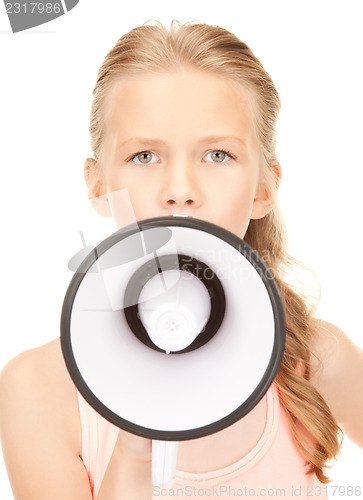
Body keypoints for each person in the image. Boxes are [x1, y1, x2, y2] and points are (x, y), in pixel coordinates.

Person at [0, 19, 362, 500]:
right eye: (145, 157)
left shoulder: (316, 360)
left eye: (217, 155)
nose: (180, 193)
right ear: (98, 184)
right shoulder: (37, 392)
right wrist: (134, 454)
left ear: (264, 189)